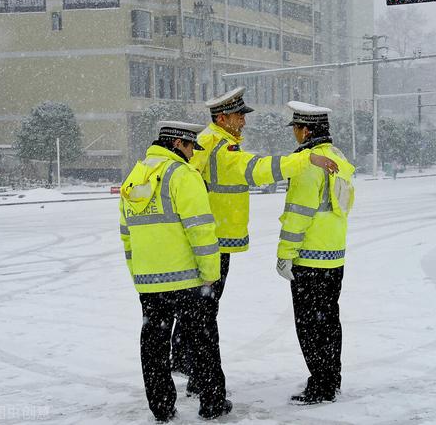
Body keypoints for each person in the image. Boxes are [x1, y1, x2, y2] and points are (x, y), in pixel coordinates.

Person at [172, 87, 339, 395]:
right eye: (239, 116)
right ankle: (200, 377)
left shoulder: (213, 141)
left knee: (199, 310)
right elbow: (255, 170)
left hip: (211, 240)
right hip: (209, 241)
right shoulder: (217, 144)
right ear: (223, 118)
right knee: (203, 312)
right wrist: (302, 161)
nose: (244, 123)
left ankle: (190, 366)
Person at [119, 121, 232, 421]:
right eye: (190, 148)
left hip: (149, 282)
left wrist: (138, 275)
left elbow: (126, 235)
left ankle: (162, 407)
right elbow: (201, 229)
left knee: (154, 346)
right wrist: (210, 272)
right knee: (202, 341)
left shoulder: (134, 177)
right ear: (179, 143)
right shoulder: (182, 175)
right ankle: (212, 403)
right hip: (187, 280)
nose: (192, 155)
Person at [276, 101, 355, 405]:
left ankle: (320, 384)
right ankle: (331, 377)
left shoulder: (308, 163)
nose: (294, 134)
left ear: (305, 130)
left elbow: (298, 213)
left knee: (309, 325)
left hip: (309, 258)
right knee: (329, 320)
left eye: (296, 128)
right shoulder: (338, 158)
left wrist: (285, 254)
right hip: (334, 254)